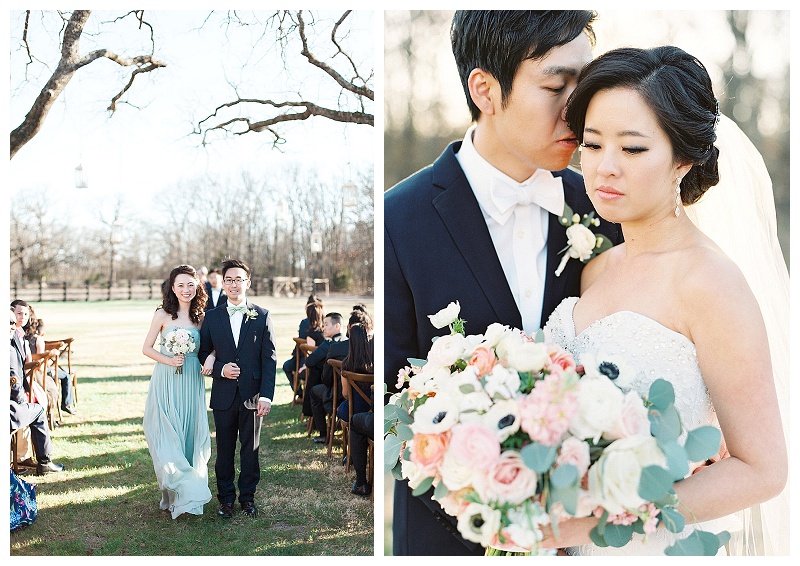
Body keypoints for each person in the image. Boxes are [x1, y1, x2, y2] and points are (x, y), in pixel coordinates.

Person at [384, 10, 619, 555]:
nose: (579, 110)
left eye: (586, 86)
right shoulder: (399, 220)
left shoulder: (609, 210)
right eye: (557, 86)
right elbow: (387, 409)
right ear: (485, 89)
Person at [539, 45, 787, 555]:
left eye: (632, 149)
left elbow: (762, 470)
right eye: (592, 144)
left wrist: (597, 523)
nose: (605, 168)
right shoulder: (595, 268)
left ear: (684, 159)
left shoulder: (710, 283)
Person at [198, 258, 277, 519]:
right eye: (229, 279)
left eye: (238, 280)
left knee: (250, 449)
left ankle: (248, 498)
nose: (233, 284)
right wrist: (220, 368)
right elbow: (203, 353)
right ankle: (226, 500)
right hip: (223, 394)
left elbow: (269, 359)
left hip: (252, 395)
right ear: (223, 282)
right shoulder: (211, 317)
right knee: (224, 449)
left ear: (248, 283)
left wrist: (266, 395)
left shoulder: (262, 315)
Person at [141, 265, 212, 519]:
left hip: (191, 379)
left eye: (190, 285)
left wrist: (212, 357)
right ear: (172, 288)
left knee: (190, 434)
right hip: (167, 379)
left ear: (197, 287)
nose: (186, 290)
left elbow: (213, 347)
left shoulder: (202, 317)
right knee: (168, 434)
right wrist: (169, 360)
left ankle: (188, 495)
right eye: (180, 285)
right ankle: (172, 489)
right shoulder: (162, 314)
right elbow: (147, 348)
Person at [10, 309, 65, 475]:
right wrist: (22, 402)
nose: (13, 327)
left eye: (14, 323)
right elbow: (13, 381)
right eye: (10, 323)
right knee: (38, 410)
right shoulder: (9, 350)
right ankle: (44, 462)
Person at [300, 312, 346, 442]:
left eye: (326, 325)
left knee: (314, 391)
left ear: (337, 326)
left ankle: (323, 433)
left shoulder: (329, 344)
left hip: (335, 392)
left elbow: (309, 362)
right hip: (352, 393)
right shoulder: (350, 343)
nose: (323, 328)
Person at [282, 298, 324, 398]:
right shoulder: (326, 323)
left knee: (289, 367)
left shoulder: (309, 325)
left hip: (306, 357)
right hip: (308, 356)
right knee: (288, 366)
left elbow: (301, 340)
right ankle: (300, 394)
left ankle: (302, 395)